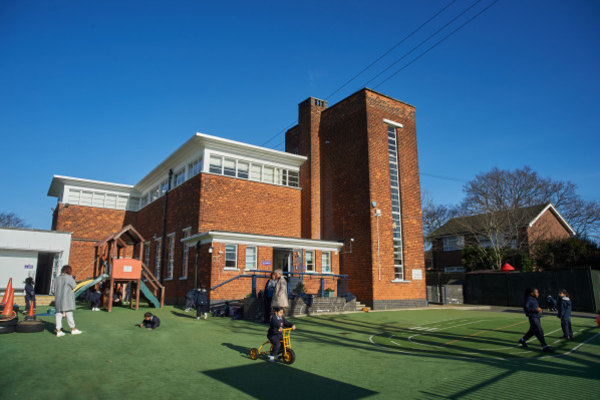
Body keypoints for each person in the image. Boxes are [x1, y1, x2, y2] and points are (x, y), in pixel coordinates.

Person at [518, 287, 553, 353]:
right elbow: (526, 309)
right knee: (539, 331)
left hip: (536, 317)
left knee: (532, 331)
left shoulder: (534, 299)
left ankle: (522, 340)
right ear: (531, 293)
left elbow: (535, 308)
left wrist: (539, 310)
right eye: (536, 292)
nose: (538, 294)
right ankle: (544, 347)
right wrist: (535, 310)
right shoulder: (529, 299)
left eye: (538, 292)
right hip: (533, 318)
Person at [52, 265, 82, 337]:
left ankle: (58, 331)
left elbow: (53, 290)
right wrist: (73, 279)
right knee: (69, 314)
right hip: (67, 299)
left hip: (58, 299)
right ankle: (73, 329)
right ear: (69, 270)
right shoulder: (69, 278)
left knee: (58, 314)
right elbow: (74, 286)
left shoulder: (56, 278)